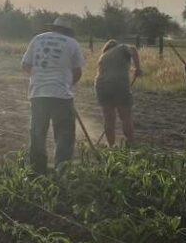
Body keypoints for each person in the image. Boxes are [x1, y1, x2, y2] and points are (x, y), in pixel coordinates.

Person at [22, 17, 85, 175]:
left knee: (37, 133)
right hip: (61, 96)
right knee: (64, 133)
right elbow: (78, 72)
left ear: (54, 28)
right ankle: (62, 170)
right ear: (67, 31)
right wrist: (67, 85)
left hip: (38, 94)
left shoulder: (37, 39)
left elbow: (25, 65)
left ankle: (37, 170)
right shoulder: (72, 43)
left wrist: (40, 78)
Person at [95, 40, 142, 146]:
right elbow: (133, 49)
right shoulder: (121, 47)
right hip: (118, 83)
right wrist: (138, 68)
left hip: (101, 85)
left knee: (109, 119)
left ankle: (111, 147)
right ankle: (131, 145)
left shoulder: (103, 56)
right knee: (125, 116)